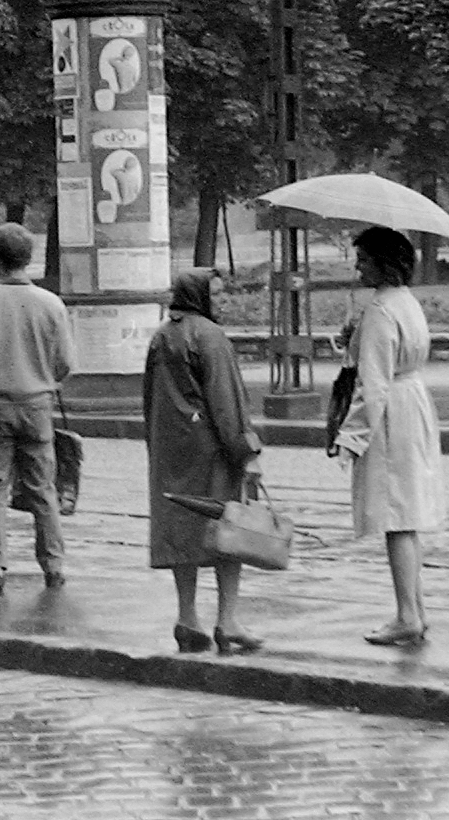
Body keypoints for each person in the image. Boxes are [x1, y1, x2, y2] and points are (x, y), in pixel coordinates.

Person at [142, 269, 265, 654]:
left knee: (183, 530)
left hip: (171, 449)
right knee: (229, 530)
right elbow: (228, 404)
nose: (223, 299)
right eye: (218, 292)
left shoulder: (161, 337)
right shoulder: (210, 337)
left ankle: (187, 617)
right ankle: (228, 621)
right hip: (211, 452)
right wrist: (246, 454)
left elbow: (149, 401)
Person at [335, 225, 446, 647]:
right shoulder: (405, 303)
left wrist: (351, 437)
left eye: (363, 259)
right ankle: (415, 609)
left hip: (391, 416)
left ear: (384, 262)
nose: (358, 267)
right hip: (413, 404)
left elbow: (374, 382)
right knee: (408, 513)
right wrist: (353, 339)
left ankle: (405, 615)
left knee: (395, 515)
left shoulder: (380, 310)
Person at [0, 223, 75, 594]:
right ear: (29, 259)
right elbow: (66, 362)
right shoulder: (51, 304)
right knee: (42, 486)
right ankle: (53, 565)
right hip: (36, 403)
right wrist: (44, 377)